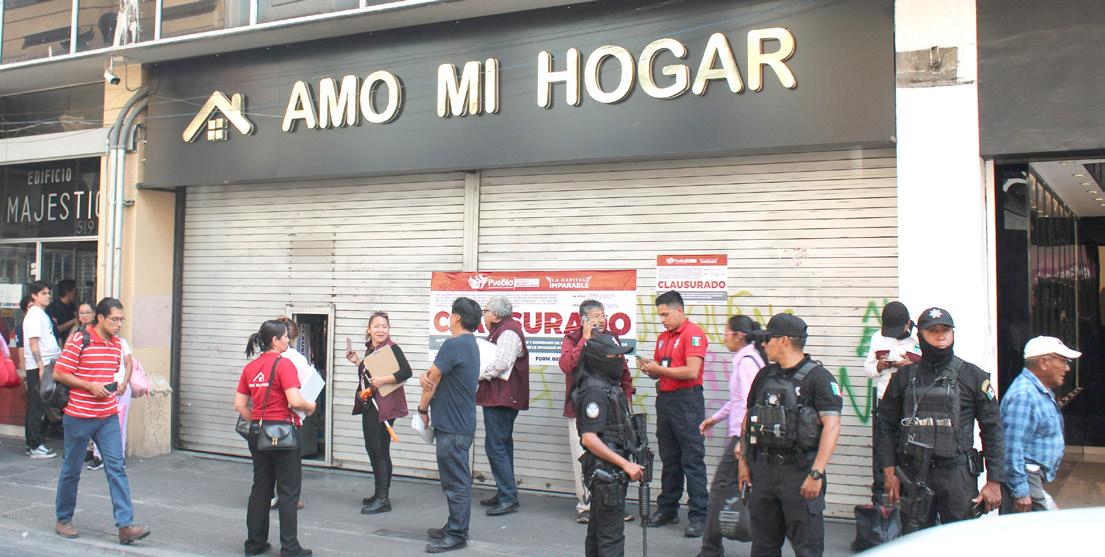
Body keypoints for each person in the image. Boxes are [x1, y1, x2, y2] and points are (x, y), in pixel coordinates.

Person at [876, 307, 1004, 532]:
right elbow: (885, 425)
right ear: (920, 335)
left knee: (959, 540)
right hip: (913, 473)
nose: (941, 335)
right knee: (914, 541)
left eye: (946, 329)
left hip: (957, 474)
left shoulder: (973, 376)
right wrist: (889, 470)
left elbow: (992, 429)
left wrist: (994, 480)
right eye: (933, 330)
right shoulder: (904, 377)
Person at [737, 313, 843, 557]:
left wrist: (816, 473)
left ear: (784, 340)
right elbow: (748, 418)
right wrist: (743, 462)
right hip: (764, 472)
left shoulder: (820, 378)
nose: (763, 344)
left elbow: (832, 426)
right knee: (763, 547)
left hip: (800, 473)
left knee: (807, 548)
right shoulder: (764, 375)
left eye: (768, 339)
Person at [51, 297, 150, 545]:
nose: (119, 324)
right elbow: (60, 373)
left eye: (121, 320)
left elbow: (112, 373)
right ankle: (63, 519)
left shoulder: (117, 345)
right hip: (79, 415)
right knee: (72, 469)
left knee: (117, 468)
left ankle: (125, 526)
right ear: (101, 318)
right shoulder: (80, 340)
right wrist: (89, 386)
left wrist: (116, 386)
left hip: (107, 415)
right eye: (114, 319)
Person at [235, 319, 316, 557]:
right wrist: (310, 406)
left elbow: (239, 405)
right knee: (288, 491)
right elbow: (295, 400)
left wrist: (258, 421)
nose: (288, 342)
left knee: (261, 487)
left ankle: (255, 543)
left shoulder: (251, 367)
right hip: (284, 434)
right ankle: (290, 547)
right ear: (275, 340)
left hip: (257, 433)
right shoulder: (284, 364)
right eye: (285, 338)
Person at [638, 290, 709, 537]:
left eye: (666, 314)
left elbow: (691, 371)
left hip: (687, 401)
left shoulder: (693, 334)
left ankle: (699, 515)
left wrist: (660, 370)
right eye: (660, 315)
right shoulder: (663, 338)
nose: (663, 319)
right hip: (666, 401)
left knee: (692, 459)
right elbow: (661, 371)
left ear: (679, 310)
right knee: (669, 458)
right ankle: (667, 508)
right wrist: (651, 370)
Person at [560, 299, 636, 524]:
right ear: (583, 319)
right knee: (584, 459)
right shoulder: (572, 338)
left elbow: (623, 369)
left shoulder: (611, 337)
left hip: (612, 408)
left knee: (613, 454)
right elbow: (566, 365)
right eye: (595, 316)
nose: (601, 320)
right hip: (581, 408)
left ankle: (613, 504)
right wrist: (585, 339)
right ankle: (586, 505)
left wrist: (627, 396)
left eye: (603, 315)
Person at [697, 315, 765, 557]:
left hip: (741, 437)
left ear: (739, 335)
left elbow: (748, 404)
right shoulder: (750, 358)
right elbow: (738, 400)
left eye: (726, 333)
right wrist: (715, 418)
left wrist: (742, 443)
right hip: (744, 437)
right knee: (743, 489)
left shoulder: (747, 362)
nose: (724, 338)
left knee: (719, 488)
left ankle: (711, 549)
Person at [573, 332, 645, 557]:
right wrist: (625, 464)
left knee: (598, 534)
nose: (619, 362)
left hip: (609, 472)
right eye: (614, 357)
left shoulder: (608, 386)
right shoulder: (595, 390)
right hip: (605, 473)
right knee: (611, 538)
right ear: (599, 360)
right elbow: (589, 438)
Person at [418, 297, 481, 553]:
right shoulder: (470, 344)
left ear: (455, 317)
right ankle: (454, 525)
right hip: (459, 423)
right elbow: (433, 375)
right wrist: (426, 376)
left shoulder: (453, 344)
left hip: (453, 426)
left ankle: (457, 533)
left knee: (455, 482)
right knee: (455, 480)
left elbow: (431, 380)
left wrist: (422, 409)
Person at [1000, 336, 1078, 513]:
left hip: (1032, 478)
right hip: (1027, 478)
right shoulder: (1023, 395)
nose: (1067, 368)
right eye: (1063, 361)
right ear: (1043, 362)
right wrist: (1021, 491)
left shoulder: (1038, 391)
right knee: (1047, 526)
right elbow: (1012, 448)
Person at [345, 311, 411, 514]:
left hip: (384, 406)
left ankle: (383, 499)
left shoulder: (392, 348)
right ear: (369, 329)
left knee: (379, 450)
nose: (380, 330)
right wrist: (358, 362)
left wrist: (383, 380)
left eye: (384, 326)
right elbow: (371, 374)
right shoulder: (372, 349)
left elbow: (406, 372)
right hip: (370, 404)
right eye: (376, 326)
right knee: (372, 448)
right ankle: (379, 493)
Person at [476, 296, 529, 517]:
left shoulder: (508, 332)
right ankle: (504, 492)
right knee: (502, 446)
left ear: (496, 315)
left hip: (502, 398)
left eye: (486, 311)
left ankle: (508, 497)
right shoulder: (503, 330)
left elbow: (501, 363)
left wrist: (479, 375)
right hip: (499, 397)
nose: (484, 315)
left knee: (496, 446)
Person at [862, 301, 919, 500]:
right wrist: (880, 366)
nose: (892, 335)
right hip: (885, 399)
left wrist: (912, 365)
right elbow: (868, 369)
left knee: (911, 452)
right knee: (884, 449)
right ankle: (881, 500)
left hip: (913, 402)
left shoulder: (920, 337)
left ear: (908, 324)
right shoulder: (877, 338)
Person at [22, 281, 59, 459]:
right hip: (40, 365)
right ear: (34, 296)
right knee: (36, 405)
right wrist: (41, 367)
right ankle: (34, 445)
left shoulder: (41, 313)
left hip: (46, 363)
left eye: (48, 293)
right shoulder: (35, 314)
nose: (48, 296)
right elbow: (33, 342)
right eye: (44, 293)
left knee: (41, 404)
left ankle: (36, 442)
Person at [89, 333, 134, 471]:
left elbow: (129, 364)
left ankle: (119, 456)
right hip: (103, 388)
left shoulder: (122, 342)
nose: (117, 325)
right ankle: (98, 456)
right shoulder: (95, 343)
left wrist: (124, 384)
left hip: (121, 388)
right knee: (99, 422)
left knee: (120, 423)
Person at [46, 278, 79, 344]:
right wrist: (73, 321)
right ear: (68, 292)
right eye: (75, 291)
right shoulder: (53, 307)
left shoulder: (72, 306)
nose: (77, 293)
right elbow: (55, 329)